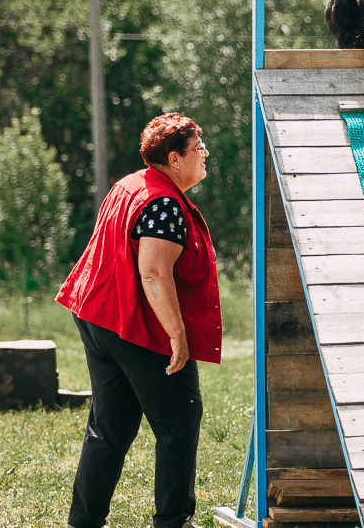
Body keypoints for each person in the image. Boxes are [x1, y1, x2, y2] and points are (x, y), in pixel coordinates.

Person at [56, 112, 221, 528]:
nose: (205, 152)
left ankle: (84, 522)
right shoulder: (163, 202)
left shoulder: (130, 184)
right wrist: (178, 335)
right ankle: (173, 521)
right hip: (134, 324)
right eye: (196, 146)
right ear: (174, 158)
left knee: (110, 426)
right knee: (179, 421)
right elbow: (153, 272)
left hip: (97, 316)